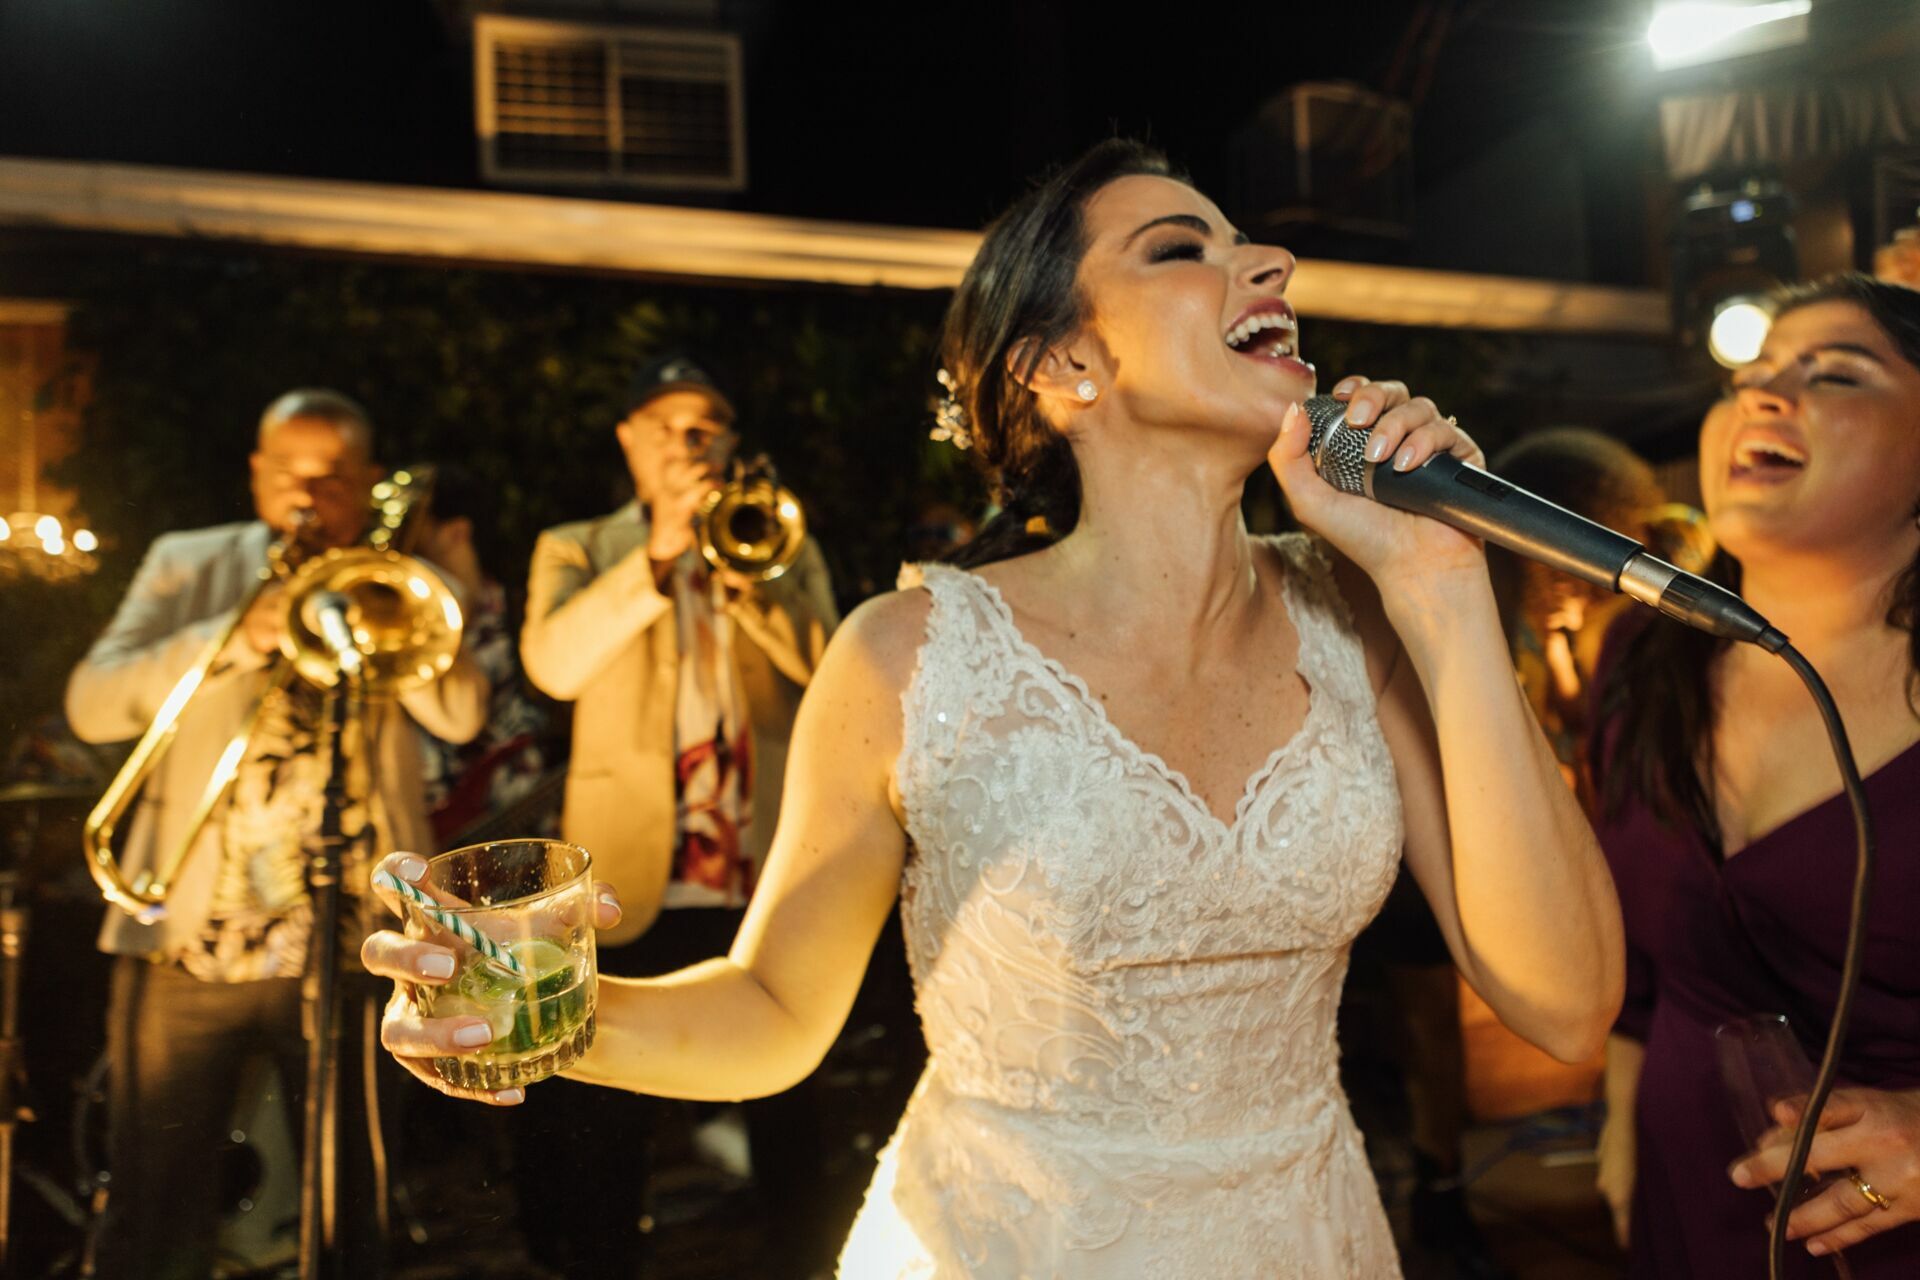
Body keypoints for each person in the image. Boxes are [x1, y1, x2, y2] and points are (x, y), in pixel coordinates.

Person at [365, 140, 1624, 1276]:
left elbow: (1568, 1006)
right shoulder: (909, 657)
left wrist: (1446, 582)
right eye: (1183, 249)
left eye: (1250, 245)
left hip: (1303, 1233)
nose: (1270, 263)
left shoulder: (1370, 617)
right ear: (1065, 362)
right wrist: (549, 1010)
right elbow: (775, 1012)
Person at [66, 389, 488, 1279]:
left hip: (350, 946)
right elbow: (91, 701)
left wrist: (398, 589)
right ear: (256, 476)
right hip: (190, 949)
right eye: (289, 473)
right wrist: (234, 636)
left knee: (352, 1207)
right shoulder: (191, 562)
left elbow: (457, 717)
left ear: (368, 484)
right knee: (156, 1201)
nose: (307, 494)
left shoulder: (398, 579)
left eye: (332, 477)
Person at [1590, 273, 1920, 1277]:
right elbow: (1638, 977)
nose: (1762, 396)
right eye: (1753, 375)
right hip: (1690, 1200)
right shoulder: (1646, 658)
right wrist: (1619, 1120)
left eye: (1837, 373)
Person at [509, 353, 840, 1275]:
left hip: (767, 870)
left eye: (706, 428)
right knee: (609, 1118)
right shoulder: (576, 546)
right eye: (666, 426)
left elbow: (827, 665)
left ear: (731, 444)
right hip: (628, 879)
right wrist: (657, 555)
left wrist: (749, 576)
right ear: (629, 440)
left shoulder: (779, 539)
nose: (688, 443)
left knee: (788, 1116)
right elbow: (554, 666)